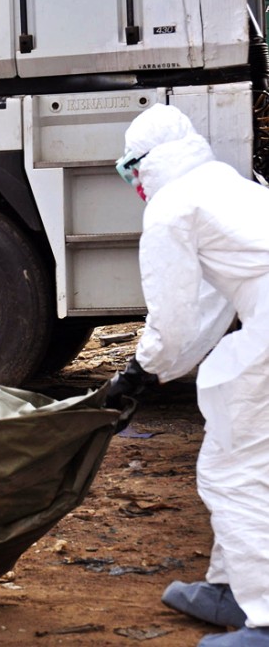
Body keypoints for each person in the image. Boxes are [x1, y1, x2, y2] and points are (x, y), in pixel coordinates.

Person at [106, 103, 269, 646]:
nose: (134, 186)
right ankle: (231, 588)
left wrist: (137, 373)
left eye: (131, 171)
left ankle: (265, 619)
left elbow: (174, 318)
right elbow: (209, 308)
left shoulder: (172, 208)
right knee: (233, 452)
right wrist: (151, 372)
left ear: (148, 162)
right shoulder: (221, 184)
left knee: (235, 471)